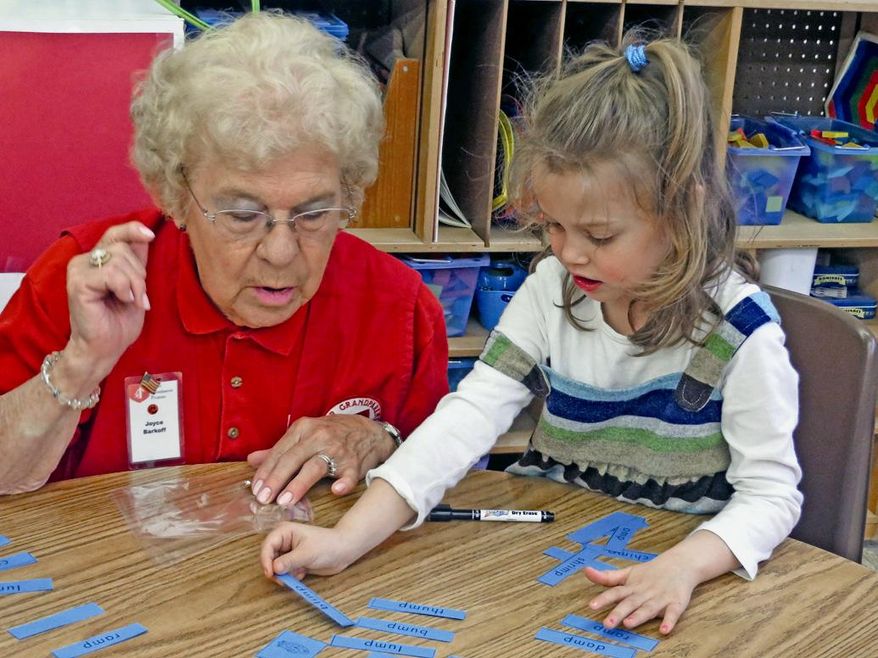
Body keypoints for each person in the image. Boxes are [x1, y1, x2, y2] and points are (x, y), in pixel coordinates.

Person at [260, 35, 803, 634]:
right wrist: (343, 541)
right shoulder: (553, 287)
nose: (568, 253)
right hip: (549, 555)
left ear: (683, 210)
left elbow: (773, 496)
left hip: (680, 572)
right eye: (553, 226)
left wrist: (685, 565)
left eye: (598, 236)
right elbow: (467, 417)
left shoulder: (741, 332)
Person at [0, 13, 449, 504]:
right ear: (175, 196)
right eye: (242, 214)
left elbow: (441, 471)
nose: (281, 253)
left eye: (314, 212)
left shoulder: (399, 310)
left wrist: (382, 440)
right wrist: (80, 365)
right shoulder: (84, 281)